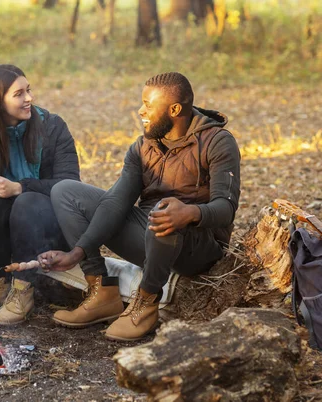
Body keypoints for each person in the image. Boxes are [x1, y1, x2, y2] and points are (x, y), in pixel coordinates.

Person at [39, 72, 241, 341]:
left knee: (164, 211)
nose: (140, 110)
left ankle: (145, 303)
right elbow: (115, 202)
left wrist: (190, 213)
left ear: (175, 109)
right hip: (149, 234)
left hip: (198, 246)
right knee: (65, 191)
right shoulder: (142, 147)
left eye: (148, 104)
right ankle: (101, 291)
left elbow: (225, 208)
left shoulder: (217, 141)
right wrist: (79, 252)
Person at [0, 64, 80, 325]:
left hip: (52, 230)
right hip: (9, 234)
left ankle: (23, 291)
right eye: (19, 94)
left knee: (26, 200)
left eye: (28, 90)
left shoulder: (52, 128)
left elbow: (70, 185)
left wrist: (21, 186)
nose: (29, 99)